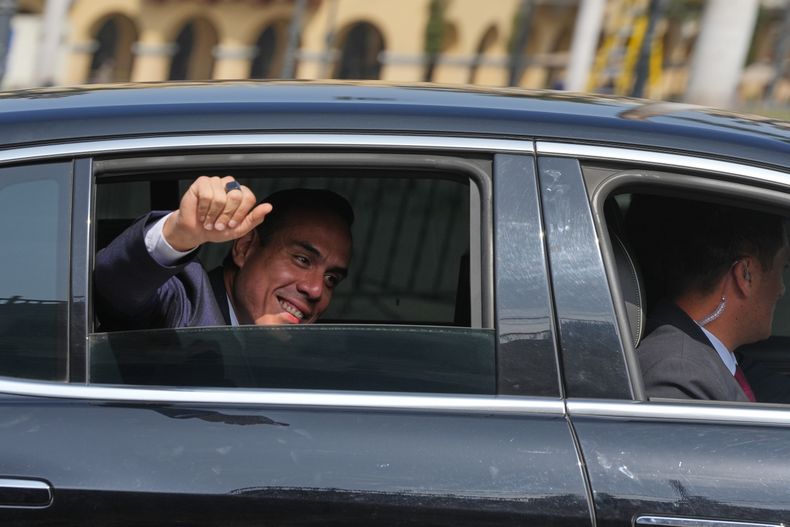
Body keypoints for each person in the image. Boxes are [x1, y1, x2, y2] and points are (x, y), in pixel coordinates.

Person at [95, 175, 353, 330]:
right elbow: (115, 286)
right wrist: (177, 233)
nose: (316, 290)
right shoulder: (183, 305)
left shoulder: (310, 362)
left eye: (331, 279)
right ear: (244, 248)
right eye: (302, 259)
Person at [633, 197, 790, 402]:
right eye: (782, 269)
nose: (782, 289)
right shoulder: (679, 374)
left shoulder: (708, 352)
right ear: (745, 274)